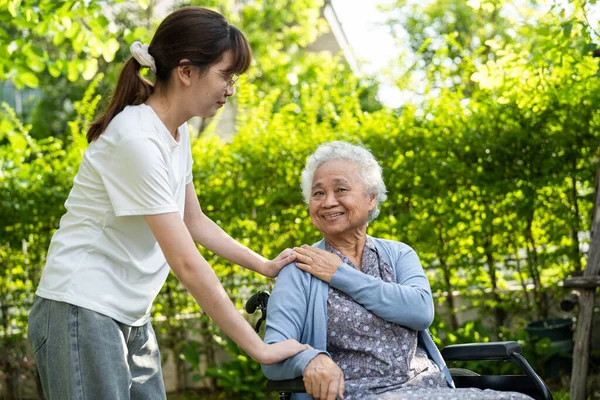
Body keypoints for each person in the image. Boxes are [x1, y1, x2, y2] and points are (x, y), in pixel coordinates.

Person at [27, 6, 309, 400]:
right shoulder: (136, 139)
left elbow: (193, 220)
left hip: (128, 314)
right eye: (226, 75)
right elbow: (187, 262)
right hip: (82, 308)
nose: (231, 89)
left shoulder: (175, 133)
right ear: (187, 71)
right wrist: (258, 348)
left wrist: (263, 265)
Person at [262, 141, 533, 400]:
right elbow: (272, 354)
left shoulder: (398, 254)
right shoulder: (299, 269)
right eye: (318, 193)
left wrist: (340, 274)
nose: (328, 201)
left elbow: (419, 311)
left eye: (341, 190)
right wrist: (311, 359)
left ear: (371, 198)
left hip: (430, 388)